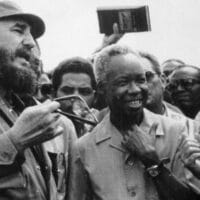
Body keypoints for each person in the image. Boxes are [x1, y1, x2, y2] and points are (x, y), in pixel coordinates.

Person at [68, 44, 200, 200]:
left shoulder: (176, 132)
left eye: (140, 80)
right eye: (123, 82)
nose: (136, 89)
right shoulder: (85, 148)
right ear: (103, 88)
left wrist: (153, 163)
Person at [0, 1, 76, 199]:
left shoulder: (19, 107)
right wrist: (14, 141)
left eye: (31, 34)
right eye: (19, 30)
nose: (31, 42)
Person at [52, 57, 98, 137]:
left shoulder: (101, 129)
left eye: (84, 92)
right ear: (54, 94)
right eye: (67, 91)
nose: (75, 99)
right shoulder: (42, 133)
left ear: (95, 97)